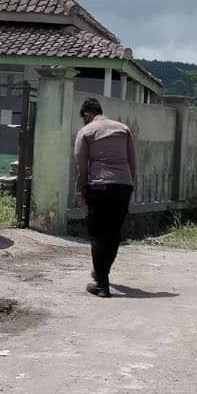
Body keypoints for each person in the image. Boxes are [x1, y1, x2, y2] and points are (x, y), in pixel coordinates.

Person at [73, 97, 137, 297]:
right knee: (113, 233)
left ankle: (101, 284)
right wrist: (127, 186)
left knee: (98, 234)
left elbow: (82, 168)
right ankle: (102, 273)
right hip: (123, 186)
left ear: (87, 114)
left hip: (100, 187)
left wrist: (82, 191)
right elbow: (132, 163)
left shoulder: (86, 131)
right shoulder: (123, 129)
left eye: (84, 118)